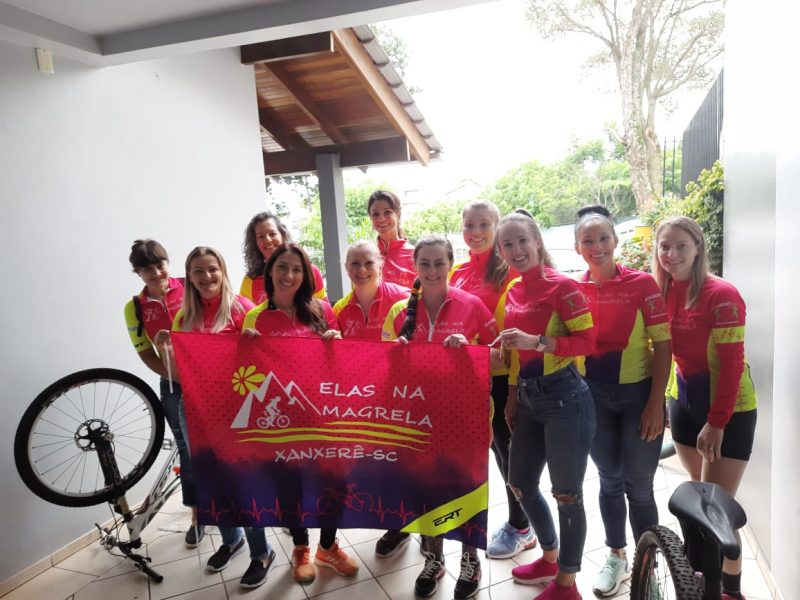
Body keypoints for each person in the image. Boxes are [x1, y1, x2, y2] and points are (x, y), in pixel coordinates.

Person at [382, 235, 497, 600]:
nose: (432, 271)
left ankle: (470, 559)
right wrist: (394, 356)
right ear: (415, 267)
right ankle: (433, 558)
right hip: (417, 420)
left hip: (466, 416)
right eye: (425, 264)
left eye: (439, 263)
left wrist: (471, 350)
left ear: (450, 264)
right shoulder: (400, 312)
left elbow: (499, 358)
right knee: (425, 490)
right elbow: (379, 369)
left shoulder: (472, 305)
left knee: (467, 488)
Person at [156, 246, 275, 589]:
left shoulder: (243, 309)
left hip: (235, 412)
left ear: (222, 271)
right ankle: (231, 539)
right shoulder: (183, 317)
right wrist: (169, 345)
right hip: (194, 408)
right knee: (210, 479)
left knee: (243, 482)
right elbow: (181, 369)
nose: (206, 277)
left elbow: (264, 363)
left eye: (212, 269)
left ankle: (261, 552)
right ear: (188, 277)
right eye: (197, 271)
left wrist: (253, 343)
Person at [242, 243, 359, 584]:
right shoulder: (255, 317)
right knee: (289, 487)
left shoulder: (322, 310)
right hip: (279, 420)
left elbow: (340, 366)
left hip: (322, 415)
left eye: (296, 269)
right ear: (270, 273)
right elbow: (245, 374)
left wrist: (336, 343)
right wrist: (244, 348)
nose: (289, 275)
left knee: (333, 483)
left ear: (305, 275)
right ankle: (301, 547)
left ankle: (327, 546)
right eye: (282, 268)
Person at [653, 217, 757, 600]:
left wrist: (717, 423)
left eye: (681, 245)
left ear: (698, 247)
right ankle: (699, 582)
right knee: (701, 504)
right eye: (665, 246)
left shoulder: (721, 294)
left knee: (714, 513)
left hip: (728, 410)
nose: (672, 254)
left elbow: (731, 365)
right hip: (684, 401)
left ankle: (725, 590)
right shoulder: (661, 292)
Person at [494, 212, 596, 600]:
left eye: (523, 240)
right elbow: (511, 349)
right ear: (501, 251)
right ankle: (550, 556)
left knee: (567, 494)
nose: (517, 250)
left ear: (537, 241)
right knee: (519, 482)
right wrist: (513, 393)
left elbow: (588, 342)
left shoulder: (564, 287)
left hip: (566, 398)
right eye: (508, 244)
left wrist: (537, 341)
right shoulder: (515, 290)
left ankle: (567, 584)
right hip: (530, 396)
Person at [573, 206, 671, 597]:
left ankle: (650, 569)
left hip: (637, 396)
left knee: (640, 487)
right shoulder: (573, 289)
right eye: (587, 240)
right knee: (610, 481)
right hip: (592, 398)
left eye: (603, 238)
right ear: (577, 247)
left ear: (615, 241)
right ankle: (617, 557)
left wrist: (655, 402)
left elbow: (663, 345)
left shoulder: (643, 283)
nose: (596, 246)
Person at [449, 201, 536, 560]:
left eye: (484, 224)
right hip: (469, 378)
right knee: (494, 453)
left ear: (497, 227)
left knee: (509, 455)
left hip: (504, 376)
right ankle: (522, 520)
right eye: (470, 224)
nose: (476, 231)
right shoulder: (456, 273)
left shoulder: (510, 271)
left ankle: (522, 526)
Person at [123, 240, 200, 547]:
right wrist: (180, 376)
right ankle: (198, 517)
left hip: (210, 381)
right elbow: (145, 353)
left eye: (160, 264)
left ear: (169, 262)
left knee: (223, 447)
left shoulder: (190, 286)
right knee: (188, 451)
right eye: (147, 269)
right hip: (173, 384)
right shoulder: (134, 308)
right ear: (138, 273)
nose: (156, 273)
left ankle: (233, 509)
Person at [240, 211, 327, 305]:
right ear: (255, 243)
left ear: (283, 236)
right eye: (261, 236)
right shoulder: (250, 281)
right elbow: (247, 318)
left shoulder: (311, 271)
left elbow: (324, 312)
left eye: (272, 234)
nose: (268, 240)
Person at [333, 240, 409, 341]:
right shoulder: (339, 310)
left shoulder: (404, 298)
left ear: (380, 266)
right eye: (355, 263)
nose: (362, 270)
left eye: (369, 263)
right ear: (346, 267)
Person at [368, 190, 416, 288]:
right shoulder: (366, 254)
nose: (381, 218)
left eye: (387, 212)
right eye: (376, 214)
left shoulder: (415, 255)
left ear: (398, 215)